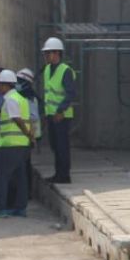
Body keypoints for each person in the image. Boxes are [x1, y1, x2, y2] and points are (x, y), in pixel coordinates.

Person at [0, 70, 33, 218]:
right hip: (22, 145)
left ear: (6, 85)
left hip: (11, 144)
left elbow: (17, 119)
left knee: (0, 176)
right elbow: (28, 119)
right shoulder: (21, 98)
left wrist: (28, 133)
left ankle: (0, 207)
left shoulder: (10, 99)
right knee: (20, 177)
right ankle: (20, 207)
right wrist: (30, 136)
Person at [41, 37, 77, 184]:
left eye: (47, 53)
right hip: (51, 114)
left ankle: (64, 175)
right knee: (54, 145)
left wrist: (60, 111)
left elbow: (70, 93)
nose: (45, 56)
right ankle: (58, 173)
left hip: (62, 115)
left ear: (56, 53)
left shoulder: (65, 71)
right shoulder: (48, 69)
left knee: (62, 146)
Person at [16, 68, 43, 199]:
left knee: (25, 165)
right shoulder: (23, 96)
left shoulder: (30, 98)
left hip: (28, 136)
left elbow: (33, 117)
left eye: (20, 81)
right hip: (24, 135)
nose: (17, 84)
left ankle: (27, 193)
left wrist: (29, 135)